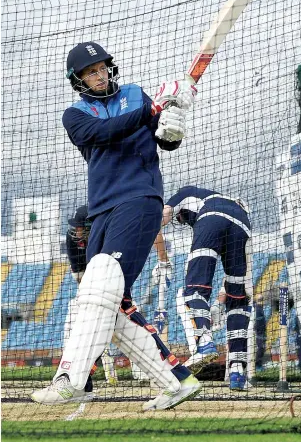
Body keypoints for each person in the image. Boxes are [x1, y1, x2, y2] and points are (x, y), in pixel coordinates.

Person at [32, 42, 200, 410]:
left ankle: (71, 380)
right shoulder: (75, 115)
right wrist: (151, 109)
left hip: (140, 199)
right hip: (101, 211)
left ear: (111, 68)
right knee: (108, 300)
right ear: (79, 80)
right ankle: (175, 381)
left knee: (103, 280)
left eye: (103, 68)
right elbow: (107, 133)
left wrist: (171, 126)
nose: (99, 75)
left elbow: (162, 139)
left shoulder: (135, 96)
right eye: (90, 72)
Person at [161, 185, 253, 391]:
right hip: (244, 228)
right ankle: (238, 371)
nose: (182, 222)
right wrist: (222, 300)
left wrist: (145, 234)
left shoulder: (187, 192)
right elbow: (237, 281)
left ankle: (204, 342)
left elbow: (164, 214)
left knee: (194, 289)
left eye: (181, 219)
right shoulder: (235, 204)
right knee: (238, 300)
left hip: (211, 220)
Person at [64, 205, 118, 385]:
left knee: (118, 328)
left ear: (89, 227)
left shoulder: (106, 237)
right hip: (88, 285)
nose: (76, 231)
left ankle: (139, 375)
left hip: (112, 286)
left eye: (80, 227)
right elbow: (78, 274)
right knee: (73, 319)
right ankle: (69, 372)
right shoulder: (71, 240)